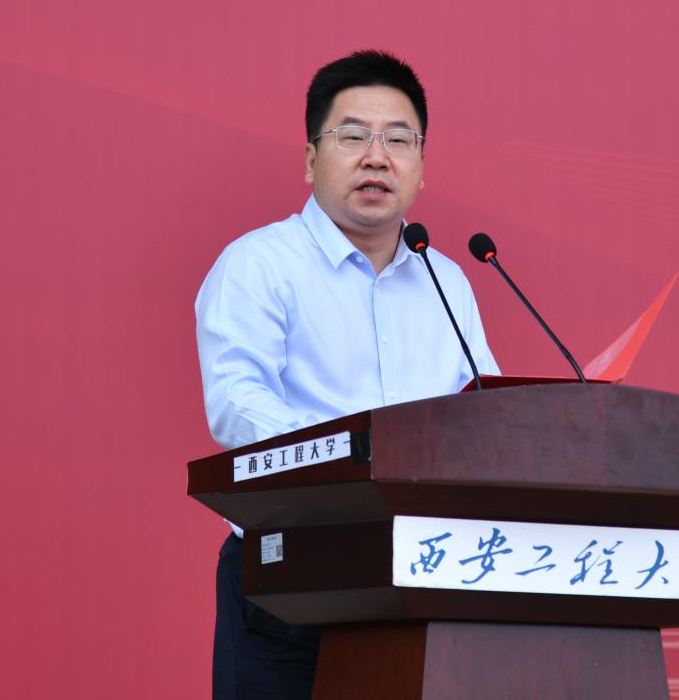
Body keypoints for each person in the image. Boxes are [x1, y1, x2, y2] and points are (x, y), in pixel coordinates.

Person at [194, 50, 499, 700]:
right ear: (311, 159)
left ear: (421, 164)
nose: (376, 158)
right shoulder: (259, 265)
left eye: (398, 140)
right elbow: (237, 403)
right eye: (353, 136)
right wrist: (354, 464)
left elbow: (481, 413)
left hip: (420, 576)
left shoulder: (447, 280)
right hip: (294, 577)